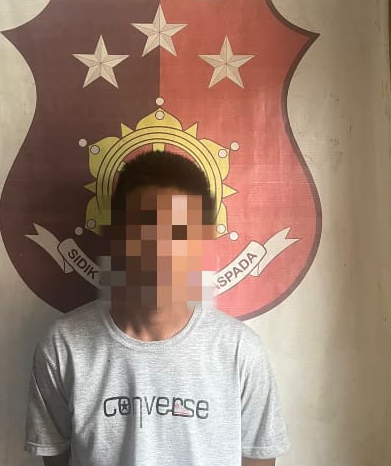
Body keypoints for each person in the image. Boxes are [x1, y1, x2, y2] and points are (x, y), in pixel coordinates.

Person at [25, 150, 290, 466]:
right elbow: (56, 458)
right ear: (118, 236)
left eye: (180, 233)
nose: (162, 251)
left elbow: (259, 458)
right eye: (146, 229)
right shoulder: (63, 347)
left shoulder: (239, 351)